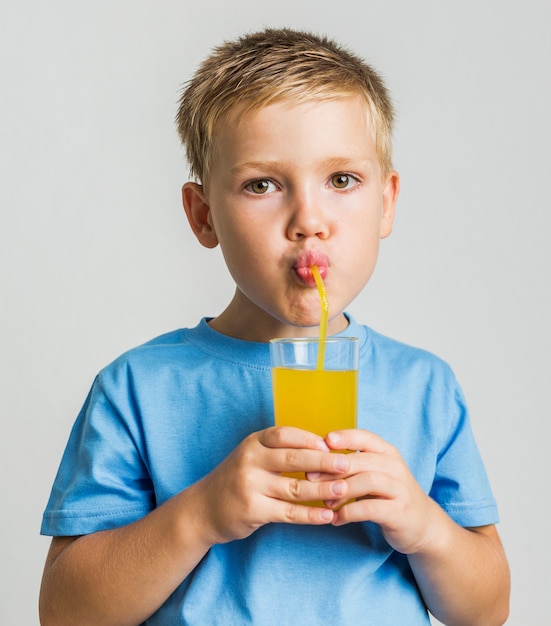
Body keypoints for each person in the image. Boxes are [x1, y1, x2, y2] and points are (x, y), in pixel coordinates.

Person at [39, 27, 510, 625]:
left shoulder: (425, 387)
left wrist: (424, 526)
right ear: (203, 214)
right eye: (262, 184)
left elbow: (488, 610)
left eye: (342, 180)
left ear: (387, 203)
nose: (308, 220)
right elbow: (66, 613)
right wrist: (202, 512)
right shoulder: (136, 389)